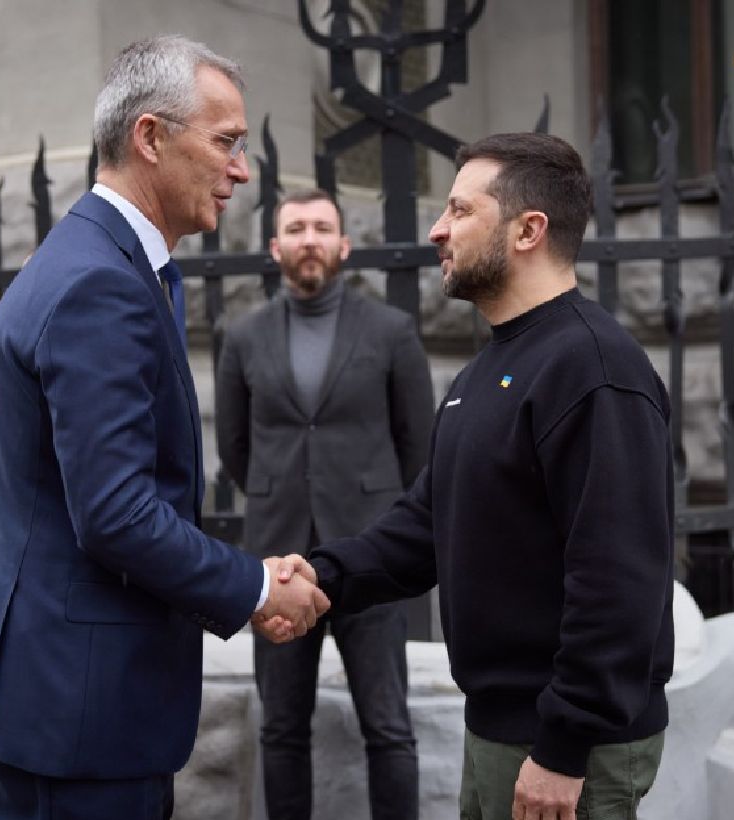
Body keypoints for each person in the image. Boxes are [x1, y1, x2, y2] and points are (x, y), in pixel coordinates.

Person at [0, 36, 329, 820]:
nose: (243, 170)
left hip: (60, 702)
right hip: (77, 717)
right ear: (150, 137)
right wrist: (256, 588)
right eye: (226, 142)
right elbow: (116, 513)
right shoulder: (101, 282)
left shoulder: (100, 259)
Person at [304, 133, 675, 820]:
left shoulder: (593, 368)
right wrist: (318, 579)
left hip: (565, 750)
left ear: (529, 230)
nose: (437, 230)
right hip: (503, 730)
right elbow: (425, 528)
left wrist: (563, 745)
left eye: (460, 210)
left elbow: (618, 577)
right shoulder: (485, 372)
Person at [215, 188, 435, 820]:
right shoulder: (243, 336)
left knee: (388, 726)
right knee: (281, 727)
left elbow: (417, 446)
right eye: (296, 228)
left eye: (320, 227)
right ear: (275, 247)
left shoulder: (391, 331)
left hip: (371, 554)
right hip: (279, 561)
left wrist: (383, 521)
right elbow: (235, 446)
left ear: (343, 244)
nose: (308, 239)